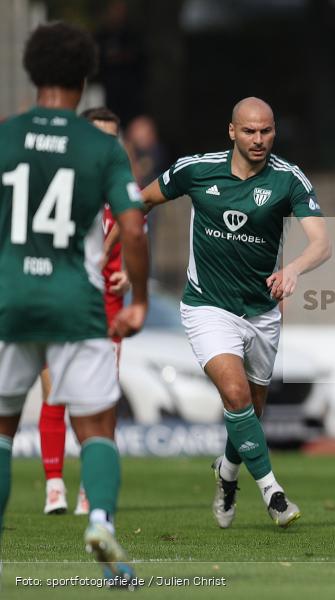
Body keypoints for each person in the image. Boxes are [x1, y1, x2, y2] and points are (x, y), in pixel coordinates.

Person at [0, 22, 149, 581]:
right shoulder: (101, 146)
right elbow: (133, 230)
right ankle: (103, 523)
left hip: (11, 299)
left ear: (32, 73)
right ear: (85, 78)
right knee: (98, 425)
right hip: (76, 302)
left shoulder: (5, 136)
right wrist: (136, 298)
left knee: (4, 426)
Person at [141, 97, 331, 530]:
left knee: (250, 410)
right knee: (235, 392)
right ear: (232, 132)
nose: (258, 139)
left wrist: (295, 269)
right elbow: (141, 203)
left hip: (261, 311)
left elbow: (322, 242)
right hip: (207, 306)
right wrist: (114, 251)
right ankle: (273, 493)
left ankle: (227, 473)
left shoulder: (288, 179)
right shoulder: (195, 169)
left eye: (266, 131)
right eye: (249, 131)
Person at [39, 107, 131, 517]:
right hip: (60, 303)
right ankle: (54, 485)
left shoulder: (123, 187)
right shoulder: (58, 184)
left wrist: (129, 276)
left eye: (112, 136)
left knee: (100, 401)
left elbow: (134, 238)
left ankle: (88, 491)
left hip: (107, 311)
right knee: (53, 391)